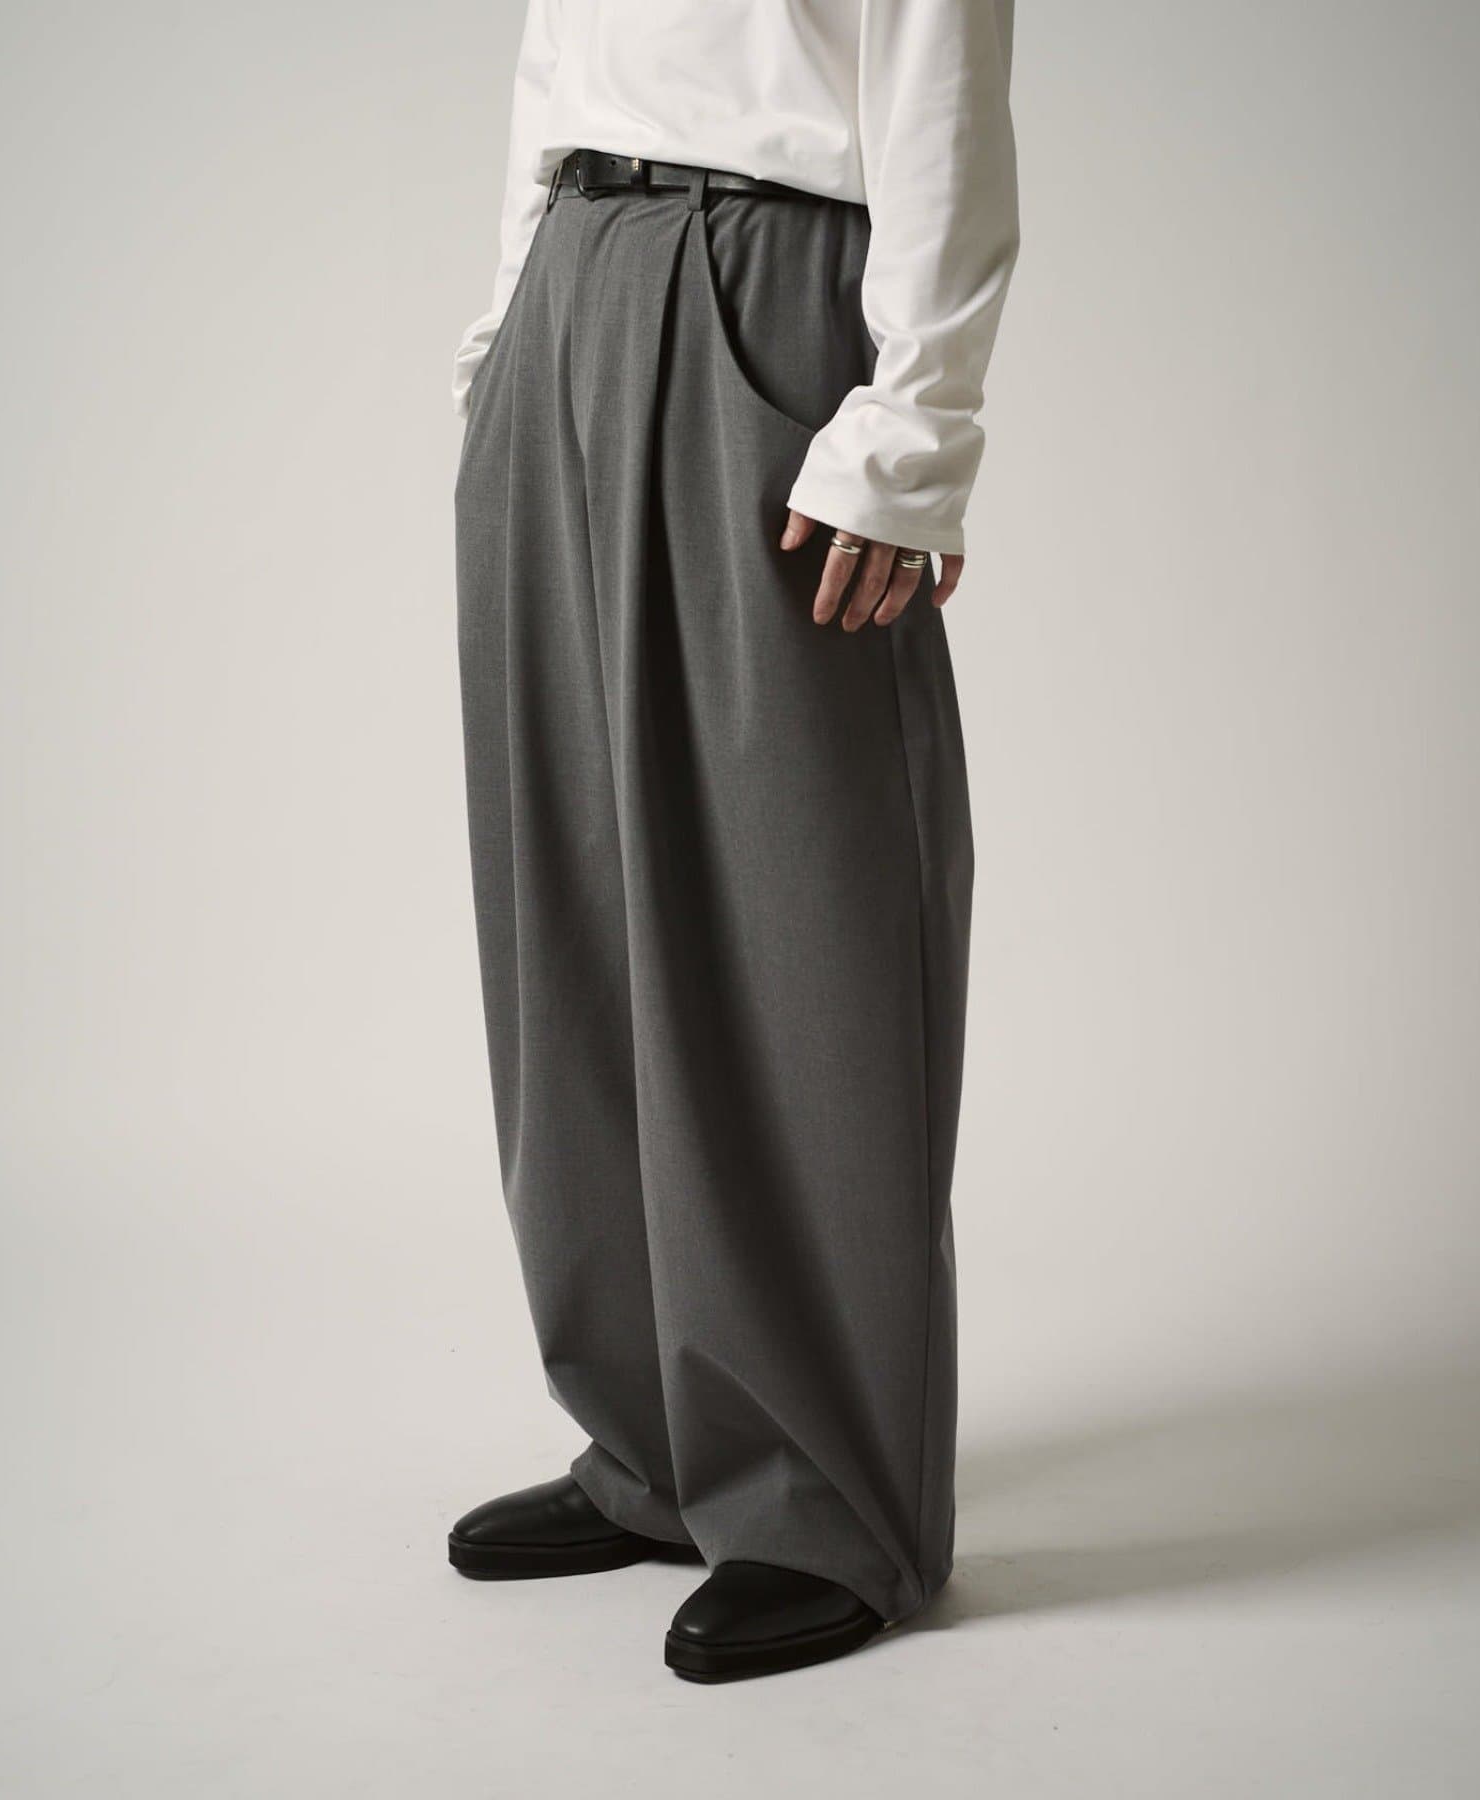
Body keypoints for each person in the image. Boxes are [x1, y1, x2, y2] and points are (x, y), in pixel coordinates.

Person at [448, 0, 1019, 1683]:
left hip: (764, 284)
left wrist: (915, 422)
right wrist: (504, 339)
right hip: (573, 275)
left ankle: (826, 1501)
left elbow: (941, 78)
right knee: (573, 897)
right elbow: (559, 56)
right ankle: (652, 1448)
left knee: (797, 912)